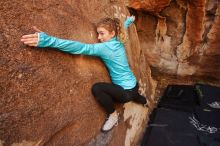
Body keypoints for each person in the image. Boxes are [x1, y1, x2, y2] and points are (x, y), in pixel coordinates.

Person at [21, 16, 147, 132]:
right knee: (137, 96)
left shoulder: (105, 48)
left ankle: (113, 115)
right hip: (134, 84)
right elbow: (122, 28)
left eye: (102, 33)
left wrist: (49, 41)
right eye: (98, 33)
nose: (99, 38)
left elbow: (80, 47)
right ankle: (142, 100)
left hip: (125, 93)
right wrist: (128, 21)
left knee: (97, 88)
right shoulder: (119, 40)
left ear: (113, 33)